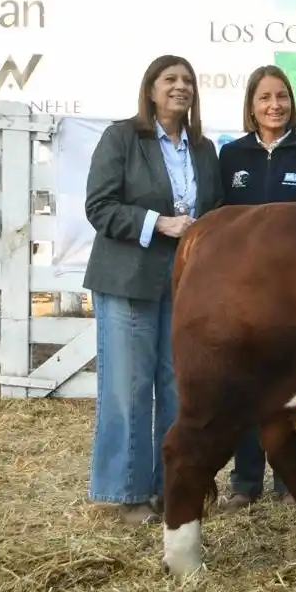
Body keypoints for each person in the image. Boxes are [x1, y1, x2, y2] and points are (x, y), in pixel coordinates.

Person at [83, 54, 224, 525]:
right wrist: (159, 222)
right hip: (126, 279)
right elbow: (100, 207)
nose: (180, 87)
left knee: (177, 387)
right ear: (150, 90)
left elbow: (216, 209)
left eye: (187, 80)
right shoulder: (122, 138)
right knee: (129, 389)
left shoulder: (204, 149)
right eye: (170, 80)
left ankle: (174, 489)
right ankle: (127, 495)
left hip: (184, 284)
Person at [217, 64, 296, 509]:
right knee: (247, 388)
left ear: (292, 103)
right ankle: (244, 481)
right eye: (265, 98)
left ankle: (293, 482)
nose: (275, 106)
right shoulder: (229, 157)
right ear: (251, 105)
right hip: (243, 299)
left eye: (282, 97)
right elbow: (217, 226)